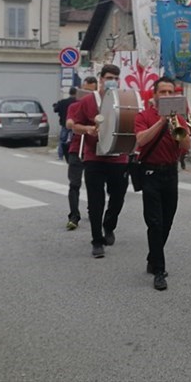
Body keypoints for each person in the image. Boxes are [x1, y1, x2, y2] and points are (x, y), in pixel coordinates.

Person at [133, 76, 191, 291]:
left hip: (171, 173)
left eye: (170, 92)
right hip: (150, 173)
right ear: (155, 95)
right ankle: (159, 270)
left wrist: (177, 126)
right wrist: (160, 121)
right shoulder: (144, 116)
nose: (167, 96)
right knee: (155, 222)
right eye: (163, 92)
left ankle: (152, 256)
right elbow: (140, 140)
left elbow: (185, 144)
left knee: (167, 220)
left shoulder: (179, 118)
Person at [71, 64, 130, 258]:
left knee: (118, 198)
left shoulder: (122, 99)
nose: (112, 81)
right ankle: (97, 240)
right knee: (95, 201)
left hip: (118, 157)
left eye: (115, 77)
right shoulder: (88, 100)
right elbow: (75, 126)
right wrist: (87, 129)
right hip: (94, 157)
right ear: (101, 79)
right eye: (109, 77)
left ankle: (109, 225)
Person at [63, 76, 98, 230]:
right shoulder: (74, 106)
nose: (88, 95)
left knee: (94, 184)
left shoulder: (100, 107)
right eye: (85, 91)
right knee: (74, 183)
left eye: (92, 91)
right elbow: (69, 122)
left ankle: (93, 212)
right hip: (77, 148)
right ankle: (74, 216)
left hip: (94, 149)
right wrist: (71, 123)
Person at [53, 87, 77, 161]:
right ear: (76, 93)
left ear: (69, 93)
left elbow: (55, 109)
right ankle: (72, 155)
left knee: (62, 140)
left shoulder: (63, 102)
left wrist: (55, 105)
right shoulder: (78, 102)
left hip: (64, 123)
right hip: (75, 124)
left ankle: (60, 156)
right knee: (75, 140)